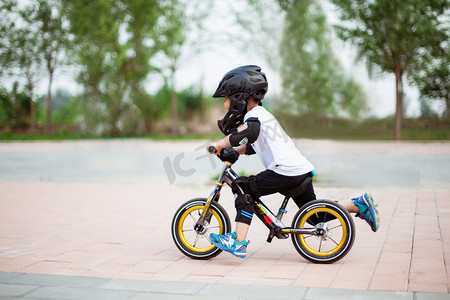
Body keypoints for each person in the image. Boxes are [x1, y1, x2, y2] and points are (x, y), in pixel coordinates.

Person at [208, 65, 380, 258]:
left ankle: (238, 242)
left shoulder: (254, 116)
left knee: (243, 187)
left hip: (286, 171)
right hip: (299, 170)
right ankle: (358, 204)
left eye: (226, 98)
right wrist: (237, 151)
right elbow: (255, 143)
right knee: (315, 217)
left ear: (239, 97)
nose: (225, 104)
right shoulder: (262, 117)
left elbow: (249, 133)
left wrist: (221, 143)